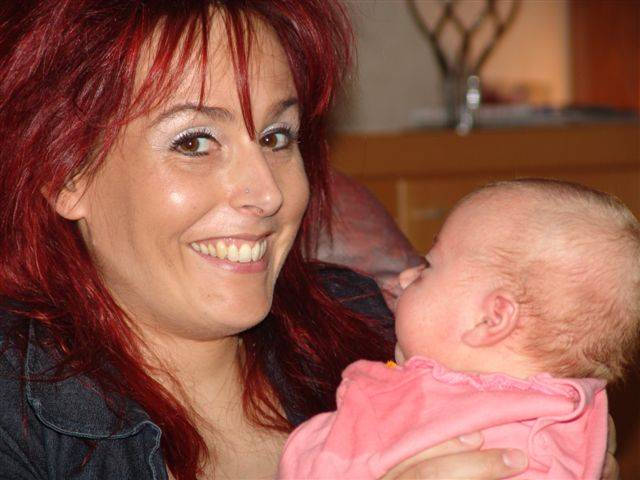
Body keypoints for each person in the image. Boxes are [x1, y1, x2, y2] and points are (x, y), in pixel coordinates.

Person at [0, 1, 540, 479]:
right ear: (66, 175)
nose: (267, 192)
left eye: (276, 137)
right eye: (194, 143)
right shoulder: (15, 415)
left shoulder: (382, 328)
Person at [279, 179, 639, 479]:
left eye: (428, 266)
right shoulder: (557, 428)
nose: (405, 277)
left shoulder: (518, 446)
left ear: (490, 319)